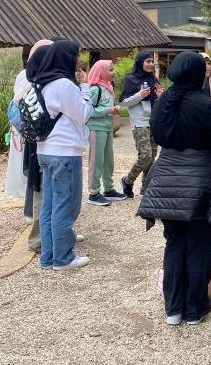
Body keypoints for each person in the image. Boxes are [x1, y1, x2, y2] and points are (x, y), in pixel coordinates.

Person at [136, 52, 211, 325]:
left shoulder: (163, 101)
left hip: (166, 177)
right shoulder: (204, 104)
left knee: (175, 243)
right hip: (200, 179)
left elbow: (158, 134)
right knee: (201, 243)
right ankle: (194, 308)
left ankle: (173, 309)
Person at [34, 40, 94, 271]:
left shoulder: (42, 83)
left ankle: (48, 257)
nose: (80, 59)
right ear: (67, 57)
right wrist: (86, 88)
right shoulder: (64, 85)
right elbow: (83, 114)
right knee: (65, 205)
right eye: (77, 54)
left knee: (49, 205)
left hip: (45, 150)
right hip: (65, 152)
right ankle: (63, 258)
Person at [7, 39, 52, 230]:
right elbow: (20, 100)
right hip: (30, 130)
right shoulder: (26, 76)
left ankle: (33, 212)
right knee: (33, 171)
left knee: (34, 172)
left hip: (32, 129)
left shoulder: (44, 75)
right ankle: (31, 212)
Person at [120, 51, 162, 197]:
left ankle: (146, 188)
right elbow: (124, 102)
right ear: (140, 62)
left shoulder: (153, 79)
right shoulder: (131, 79)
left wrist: (160, 96)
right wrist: (140, 95)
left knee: (152, 157)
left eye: (152, 62)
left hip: (153, 121)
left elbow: (158, 101)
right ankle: (127, 181)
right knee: (145, 156)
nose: (150, 64)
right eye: (147, 61)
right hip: (139, 122)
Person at [86, 59, 125, 205]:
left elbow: (107, 106)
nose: (113, 72)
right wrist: (108, 110)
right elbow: (88, 110)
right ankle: (93, 193)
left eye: (113, 69)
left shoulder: (108, 87)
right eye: (110, 69)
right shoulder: (95, 89)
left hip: (107, 127)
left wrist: (115, 109)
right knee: (96, 160)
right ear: (101, 72)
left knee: (108, 160)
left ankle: (108, 189)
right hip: (96, 128)